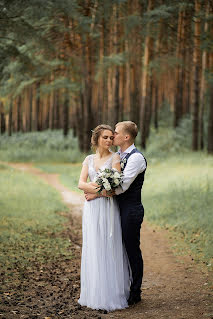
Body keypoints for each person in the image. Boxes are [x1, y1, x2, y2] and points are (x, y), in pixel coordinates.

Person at [86, 121, 147, 306]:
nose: (113, 135)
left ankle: (135, 292)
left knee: (131, 250)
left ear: (126, 137)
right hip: (116, 208)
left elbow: (122, 186)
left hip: (130, 210)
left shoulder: (136, 158)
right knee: (117, 249)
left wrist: (96, 193)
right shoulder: (118, 155)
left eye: (117, 133)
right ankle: (120, 288)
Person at [78, 124, 130, 312]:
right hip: (91, 211)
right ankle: (94, 293)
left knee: (108, 246)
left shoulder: (115, 157)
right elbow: (80, 184)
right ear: (97, 139)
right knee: (94, 246)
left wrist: (96, 193)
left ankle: (110, 294)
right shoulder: (89, 159)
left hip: (107, 208)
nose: (109, 141)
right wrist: (97, 190)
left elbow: (114, 189)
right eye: (105, 137)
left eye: (111, 137)